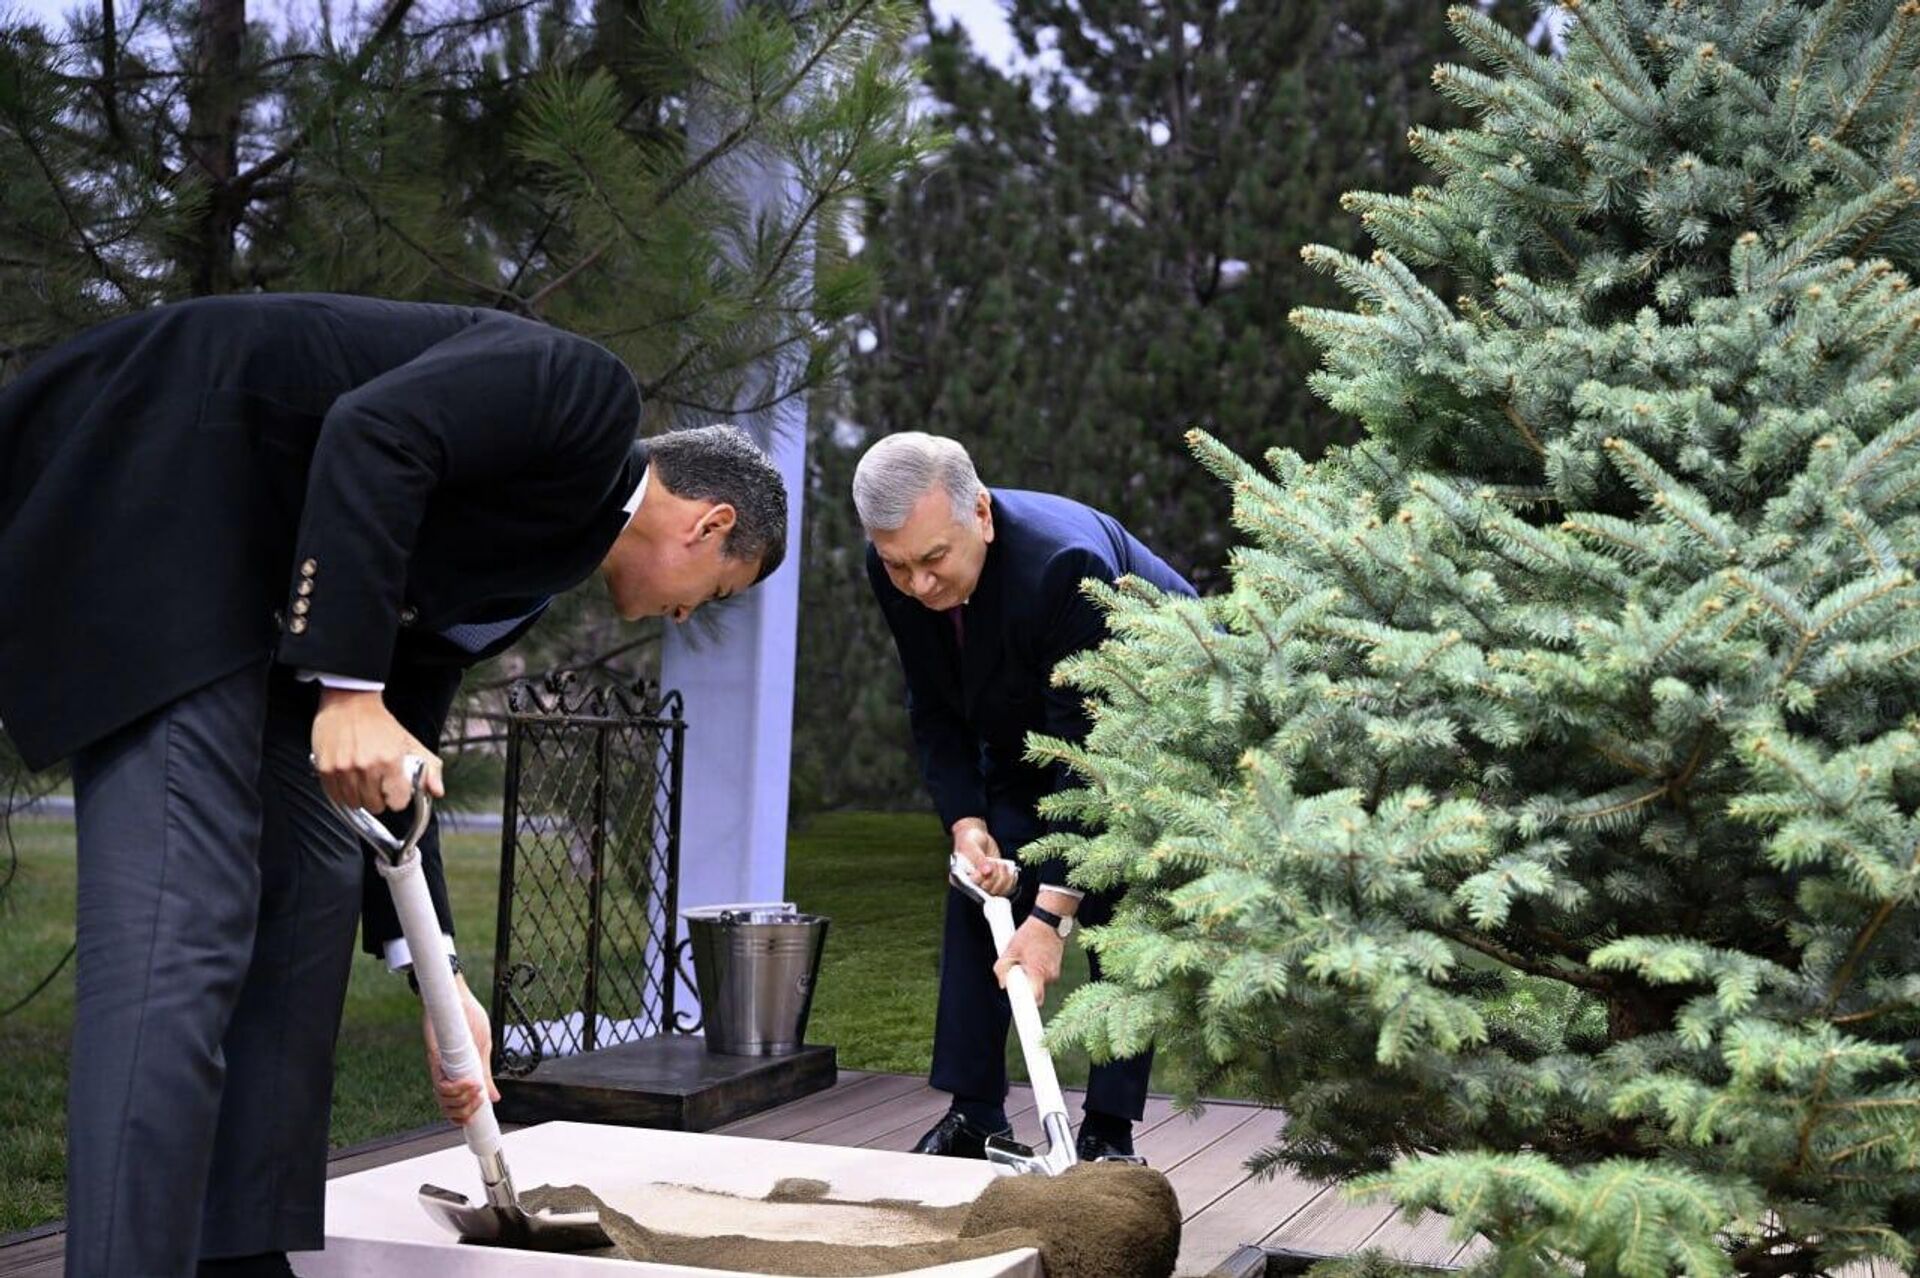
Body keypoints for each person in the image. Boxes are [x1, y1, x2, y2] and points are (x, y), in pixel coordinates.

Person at [0, 293, 789, 1278]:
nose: (686, 616)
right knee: (183, 921)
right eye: (715, 593)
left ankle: (239, 1254)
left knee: (314, 880)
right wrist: (349, 689)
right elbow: (374, 429)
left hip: (254, 604)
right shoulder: (586, 397)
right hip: (158, 488)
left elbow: (393, 761)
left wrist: (437, 976)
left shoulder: (522, 582)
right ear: (710, 524)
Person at [854, 431, 1194, 1164]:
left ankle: (1108, 1134)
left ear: (980, 513)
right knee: (979, 882)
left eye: (933, 560)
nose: (918, 585)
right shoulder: (898, 563)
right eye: (899, 566)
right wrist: (966, 822)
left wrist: (1049, 920)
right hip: (1021, 712)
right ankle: (975, 1116)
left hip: (1150, 727)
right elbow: (933, 703)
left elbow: (1097, 761)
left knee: (1117, 905)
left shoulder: (1064, 566)